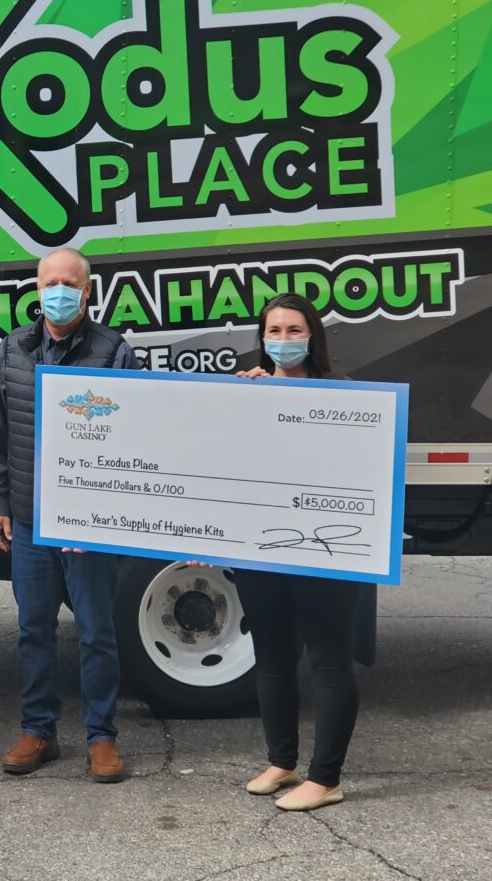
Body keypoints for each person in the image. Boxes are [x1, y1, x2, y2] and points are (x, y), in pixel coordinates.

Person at [0, 247, 139, 782]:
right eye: (51, 282)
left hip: (89, 526)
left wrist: (102, 513)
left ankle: (101, 735)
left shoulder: (114, 352)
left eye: (70, 283)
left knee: (96, 632)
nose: (60, 292)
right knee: (33, 630)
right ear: (37, 288)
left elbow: (132, 437)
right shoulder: (13, 349)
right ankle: (38, 730)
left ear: (88, 291)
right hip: (29, 520)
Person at [230, 292, 365, 812]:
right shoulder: (246, 392)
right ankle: (281, 761)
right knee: (272, 656)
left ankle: (326, 778)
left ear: (312, 337)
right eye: (274, 331)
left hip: (326, 549)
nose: (283, 340)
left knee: (329, 660)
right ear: (261, 339)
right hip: (261, 548)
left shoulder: (344, 394)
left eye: (294, 330)